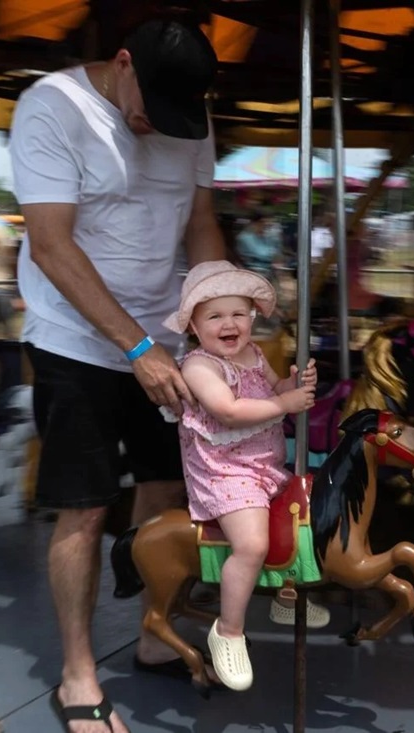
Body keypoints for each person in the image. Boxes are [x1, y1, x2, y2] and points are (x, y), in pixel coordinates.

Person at [8, 18, 224, 733]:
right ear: (121, 63)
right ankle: (77, 674)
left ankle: (153, 631)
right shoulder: (52, 107)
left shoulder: (190, 120)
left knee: (168, 495)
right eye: (146, 108)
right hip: (76, 341)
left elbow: (199, 223)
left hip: (161, 333)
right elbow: (50, 244)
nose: (152, 125)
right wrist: (137, 349)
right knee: (85, 506)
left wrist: (217, 309)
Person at [161, 260, 319, 690]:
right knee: (251, 542)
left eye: (238, 314)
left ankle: (284, 592)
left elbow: (272, 394)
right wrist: (285, 406)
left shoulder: (254, 354)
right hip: (224, 470)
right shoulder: (199, 367)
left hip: (263, 464)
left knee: (306, 513)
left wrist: (293, 386)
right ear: (194, 325)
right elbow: (228, 411)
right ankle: (228, 631)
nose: (229, 323)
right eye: (214, 316)